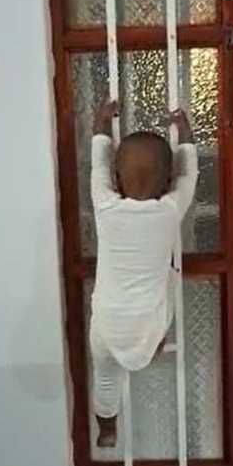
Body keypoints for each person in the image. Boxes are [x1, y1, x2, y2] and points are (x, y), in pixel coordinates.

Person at [88, 99, 198, 447]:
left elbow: (98, 164)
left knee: (105, 379)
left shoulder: (105, 206)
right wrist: (184, 131)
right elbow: (189, 174)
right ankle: (153, 344)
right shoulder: (169, 209)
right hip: (147, 323)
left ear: (117, 179)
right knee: (170, 276)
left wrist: (102, 122)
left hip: (106, 323)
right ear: (166, 181)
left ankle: (107, 429)